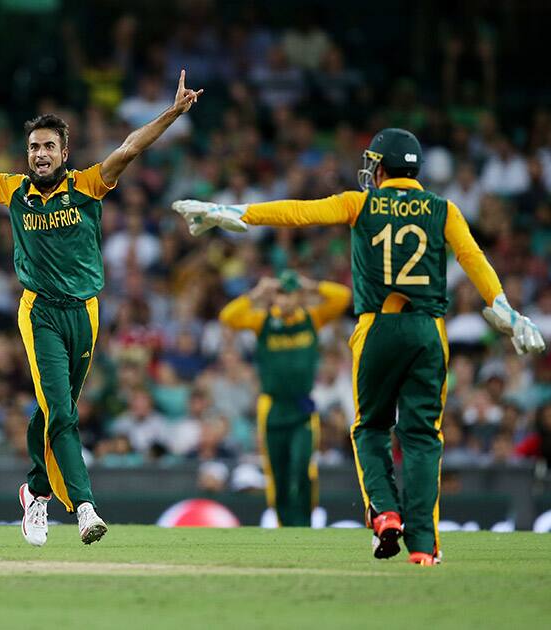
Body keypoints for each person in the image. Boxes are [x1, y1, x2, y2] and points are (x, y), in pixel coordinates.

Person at [175, 128, 545, 565]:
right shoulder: (443, 209)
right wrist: (504, 307)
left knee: (370, 429)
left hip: (376, 330)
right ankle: (424, 547)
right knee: (424, 438)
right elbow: (474, 258)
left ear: (382, 166)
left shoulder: (361, 202)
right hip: (428, 331)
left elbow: (300, 213)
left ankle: (386, 512)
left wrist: (234, 211)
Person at [0, 70, 203, 546]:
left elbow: (130, 147)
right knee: (62, 412)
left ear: (64, 153)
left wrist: (173, 113)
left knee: (58, 411)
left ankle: (34, 492)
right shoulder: (14, 190)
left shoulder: (90, 184)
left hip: (86, 313)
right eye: (34, 147)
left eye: (49, 146)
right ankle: (85, 507)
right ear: (27, 152)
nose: (41, 154)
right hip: (40, 314)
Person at [220, 270, 351, 526]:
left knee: (302, 467)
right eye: (281, 294)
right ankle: (284, 525)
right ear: (274, 296)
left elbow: (342, 297)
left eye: (291, 294)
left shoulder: (312, 318)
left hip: (302, 406)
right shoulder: (264, 321)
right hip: (273, 407)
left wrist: (312, 284)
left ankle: (304, 522)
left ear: (299, 296)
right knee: (277, 472)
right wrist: (257, 293)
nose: (286, 300)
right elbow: (229, 317)